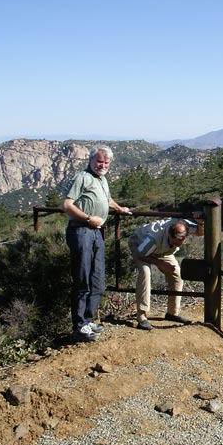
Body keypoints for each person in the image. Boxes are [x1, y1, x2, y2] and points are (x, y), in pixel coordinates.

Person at [61, 144, 132, 342]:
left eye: (106, 162)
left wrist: (119, 208)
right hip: (81, 230)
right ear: (91, 160)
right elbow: (66, 205)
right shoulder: (82, 177)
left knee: (98, 280)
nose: (103, 165)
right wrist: (87, 219)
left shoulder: (102, 179)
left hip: (96, 233)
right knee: (82, 279)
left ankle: (88, 320)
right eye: (99, 161)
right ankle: (79, 326)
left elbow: (106, 199)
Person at [128, 217, 197, 330]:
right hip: (140, 247)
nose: (179, 245)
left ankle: (172, 313)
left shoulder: (185, 227)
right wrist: (159, 263)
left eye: (182, 242)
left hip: (161, 250)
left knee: (177, 275)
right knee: (145, 273)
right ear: (170, 236)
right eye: (176, 243)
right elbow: (139, 255)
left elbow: (200, 231)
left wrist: (200, 221)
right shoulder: (153, 239)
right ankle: (141, 316)